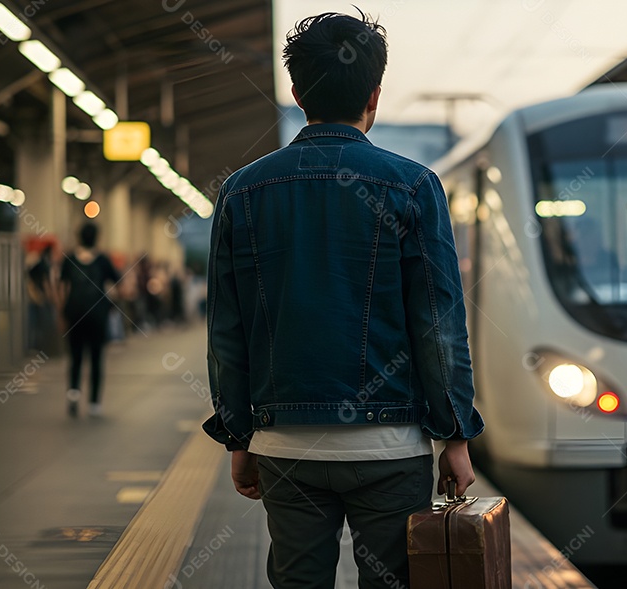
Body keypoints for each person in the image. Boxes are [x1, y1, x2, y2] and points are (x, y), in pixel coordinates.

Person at [203, 11, 484, 588]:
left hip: (285, 444)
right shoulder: (413, 186)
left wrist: (239, 437)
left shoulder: (243, 190)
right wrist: (455, 434)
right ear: (375, 94)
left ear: (297, 92)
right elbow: (437, 326)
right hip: (391, 447)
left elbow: (227, 331)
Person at [59, 222, 121, 417]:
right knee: (96, 358)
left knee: (75, 357)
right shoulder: (103, 260)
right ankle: (94, 403)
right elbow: (118, 283)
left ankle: (73, 394)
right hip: (97, 316)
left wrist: (62, 311)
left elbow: (61, 287)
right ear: (96, 237)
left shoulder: (69, 259)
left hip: (75, 315)